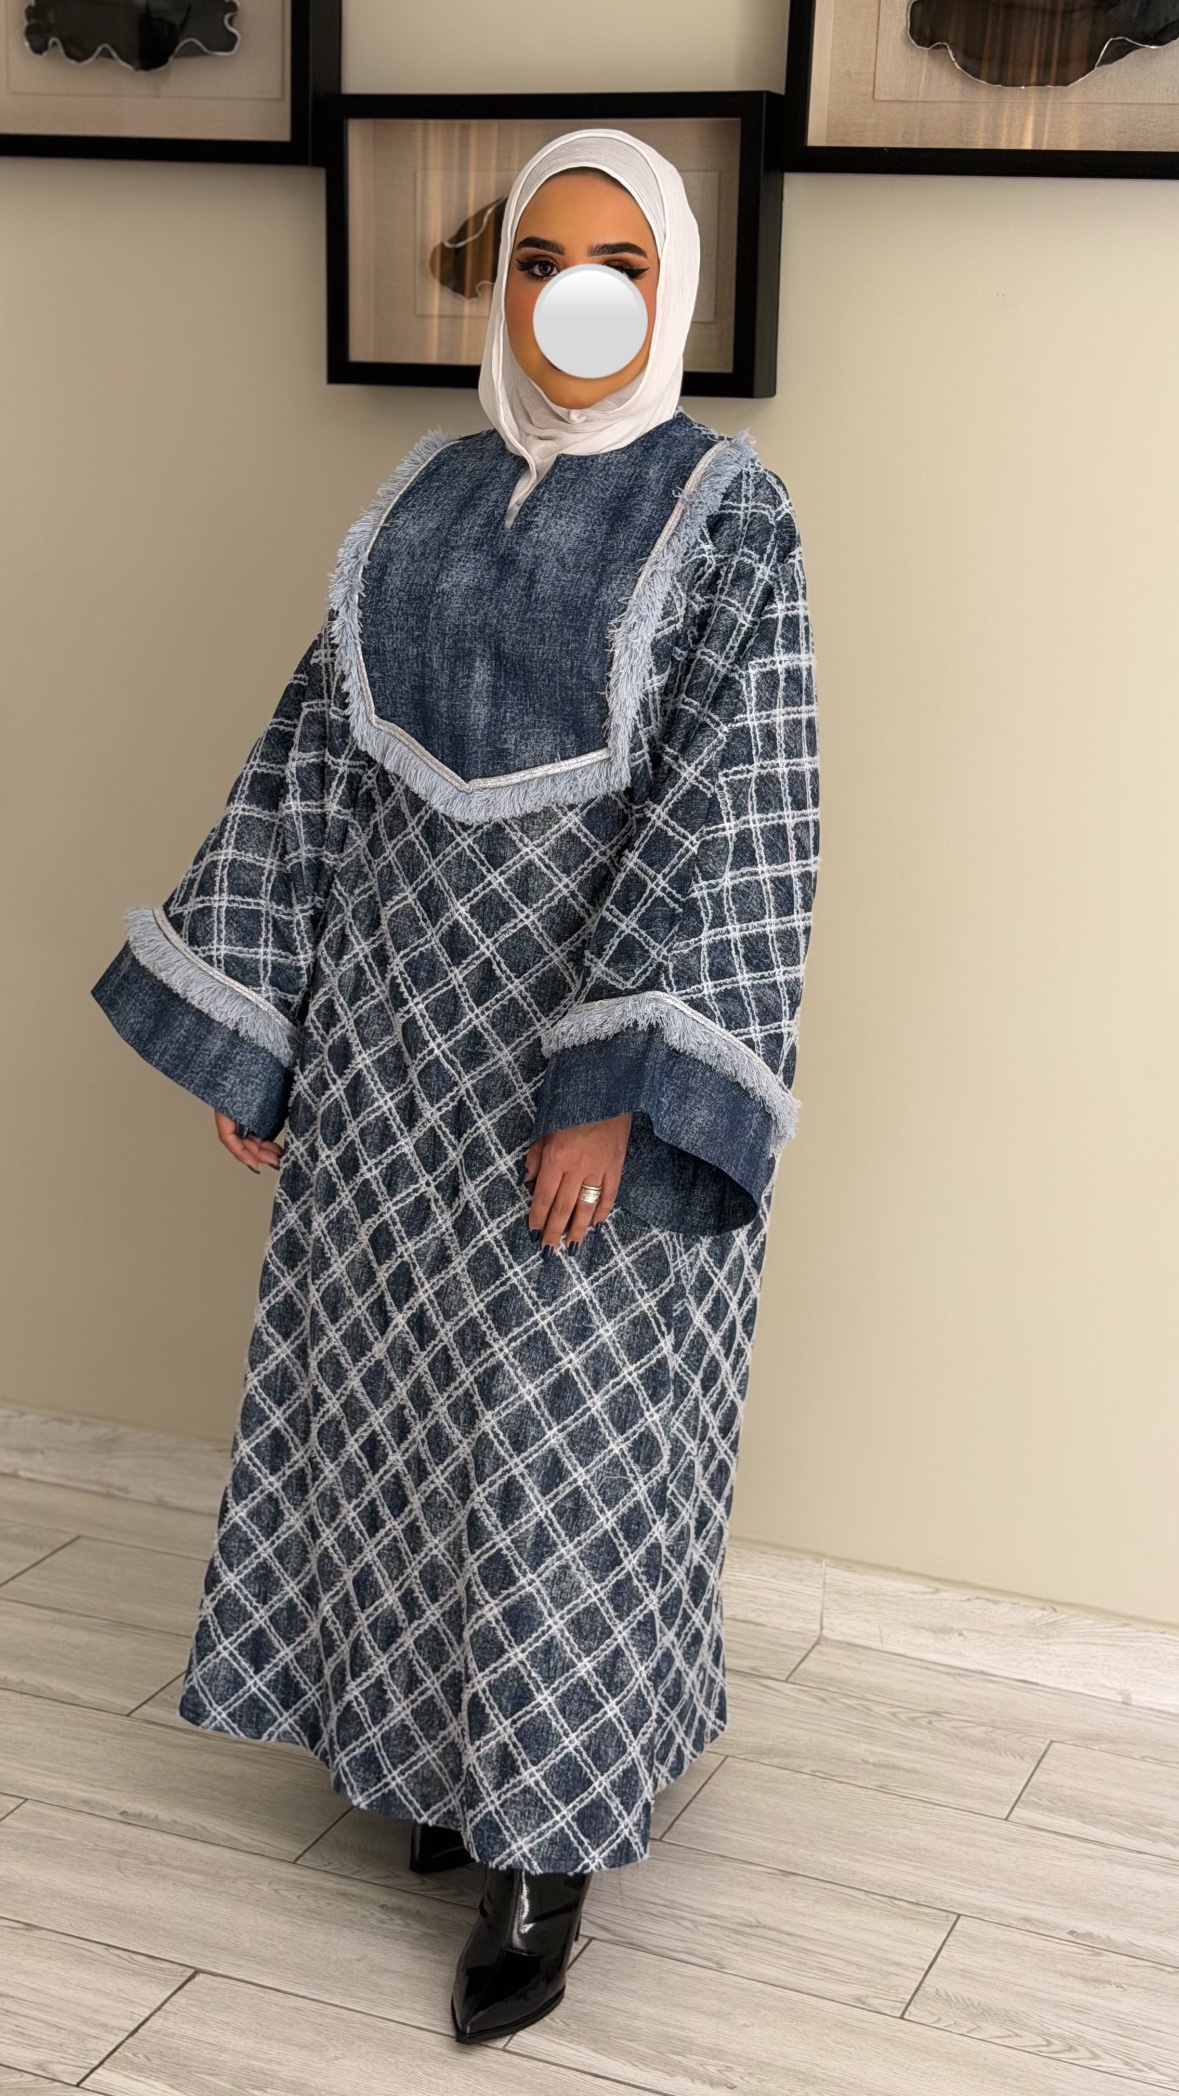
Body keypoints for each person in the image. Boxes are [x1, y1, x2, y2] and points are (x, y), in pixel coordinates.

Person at [90, 126, 820, 2045]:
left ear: (673, 293)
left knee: (563, 1446)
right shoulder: (419, 499)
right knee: (400, 1421)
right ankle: (439, 1768)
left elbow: (735, 813)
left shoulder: (729, 515)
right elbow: (309, 764)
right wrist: (265, 1028)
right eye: (539, 262)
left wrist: (614, 1093)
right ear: (502, 291)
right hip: (391, 1051)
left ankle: (543, 1853)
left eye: (619, 266)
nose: (574, 298)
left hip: (574, 1062)